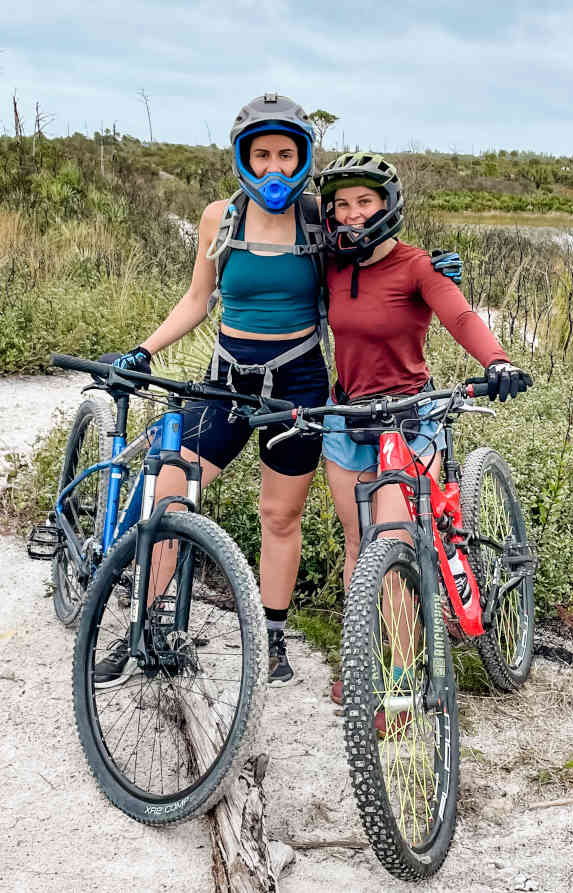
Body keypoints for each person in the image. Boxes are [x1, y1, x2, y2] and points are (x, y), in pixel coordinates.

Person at [95, 95, 460, 688]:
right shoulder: (222, 217)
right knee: (168, 494)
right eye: (261, 154)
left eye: (285, 155)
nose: (273, 168)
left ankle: (271, 637)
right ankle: (145, 626)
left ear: (302, 158)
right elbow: (197, 299)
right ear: (243, 157)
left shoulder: (319, 217)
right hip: (227, 377)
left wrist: (434, 273)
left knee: (280, 515)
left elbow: (373, 254)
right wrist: (145, 350)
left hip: (298, 383)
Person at [316, 152, 531, 709]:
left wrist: (498, 361)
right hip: (346, 420)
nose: (352, 214)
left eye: (365, 202)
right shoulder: (332, 264)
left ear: (387, 205)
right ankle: (365, 659)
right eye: (341, 205)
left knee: (394, 541)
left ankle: (403, 679)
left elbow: (460, 316)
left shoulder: (418, 267)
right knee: (359, 546)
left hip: (408, 420)